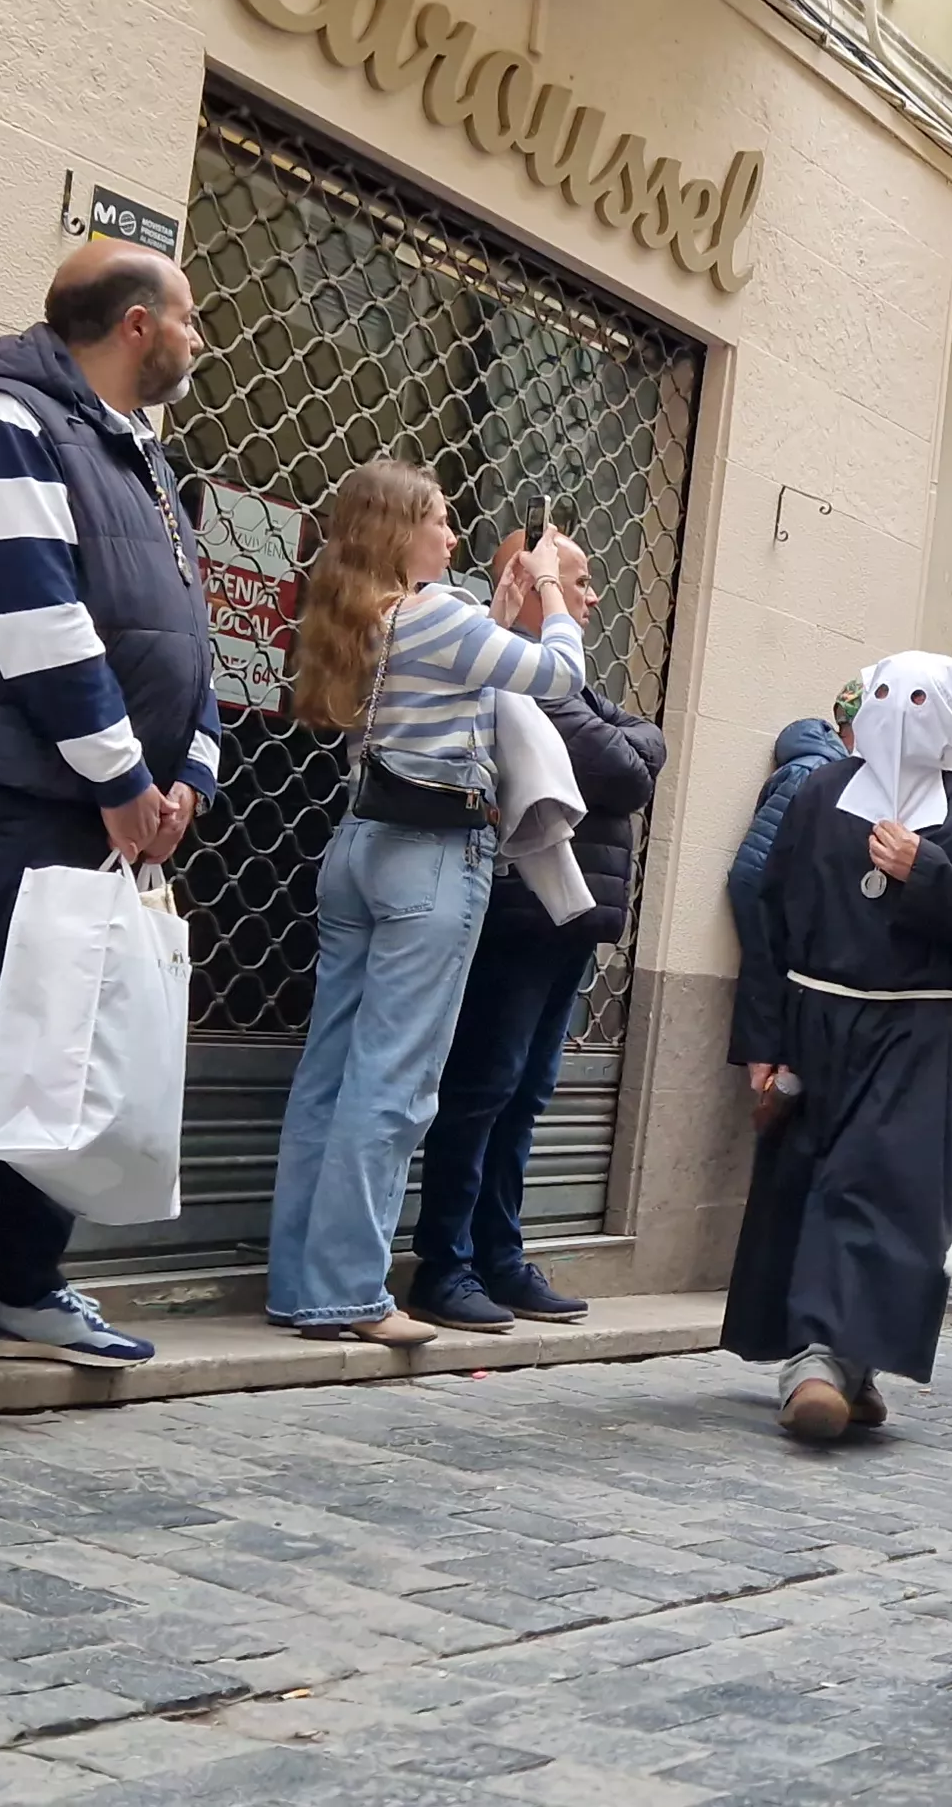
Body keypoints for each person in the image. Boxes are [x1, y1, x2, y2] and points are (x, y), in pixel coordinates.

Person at [0, 238, 218, 1383]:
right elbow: (38, 620)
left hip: (117, 804)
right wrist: (121, 780)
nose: (198, 340)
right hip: (10, 791)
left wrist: (189, 777)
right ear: (134, 326)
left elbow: (191, 634)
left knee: (64, 1048)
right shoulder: (5, 421)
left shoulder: (140, 456)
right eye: (190, 320)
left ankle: (21, 1287)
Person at [263, 464, 597, 1346]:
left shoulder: (361, 617)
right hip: (433, 858)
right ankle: (351, 1295)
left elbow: (458, 678)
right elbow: (557, 677)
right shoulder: (431, 615)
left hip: (360, 848)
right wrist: (553, 592)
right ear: (398, 530)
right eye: (439, 523)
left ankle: (301, 1284)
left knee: (330, 1075)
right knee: (397, 1083)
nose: (450, 539)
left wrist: (498, 601)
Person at [726, 651, 952, 1441]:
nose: (902, 713)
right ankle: (832, 1358)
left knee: (881, 1191)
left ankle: (831, 1360)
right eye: (888, 696)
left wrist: (926, 871)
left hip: (915, 1030)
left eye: (921, 699)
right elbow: (770, 916)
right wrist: (763, 1037)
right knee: (810, 1184)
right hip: (818, 1022)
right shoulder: (821, 793)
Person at [399, 597, 663, 1334]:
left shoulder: (566, 683)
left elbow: (643, 741)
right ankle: (444, 1263)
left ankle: (500, 1257)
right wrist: (623, 735)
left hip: (571, 916)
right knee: (485, 1089)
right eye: (573, 582)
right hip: (521, 913)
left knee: (526, 1093)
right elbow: (626, 768)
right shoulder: (516, 670)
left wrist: (623, 734)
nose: (587, 599)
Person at [727, 683, 856, 985]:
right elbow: (763, 859)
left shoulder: (831, 772)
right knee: (766, 1000)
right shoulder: (811, 772)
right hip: (772, 909)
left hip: (788, 910)